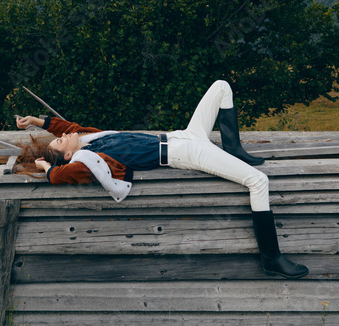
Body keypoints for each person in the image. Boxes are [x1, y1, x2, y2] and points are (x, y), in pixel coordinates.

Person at [16, 80, 308, 279]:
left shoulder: (92, 139)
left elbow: (69, 127)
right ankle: (271, 258)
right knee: (258, 181)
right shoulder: (87, 161)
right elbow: (60, 175)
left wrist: (36, 121)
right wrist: (44, 167)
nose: (65, 135)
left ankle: (234, 149)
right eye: (60, 143)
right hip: (186, 153)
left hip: (184, 135)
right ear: (66, 157)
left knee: (221, 86)